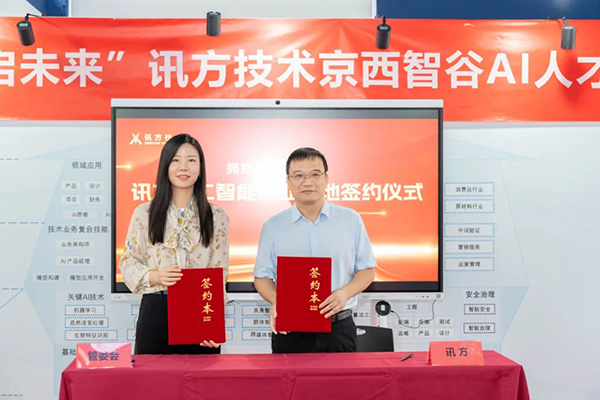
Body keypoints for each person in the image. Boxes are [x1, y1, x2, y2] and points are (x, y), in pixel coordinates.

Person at [253, 147, 376, 353]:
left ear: (326, 178)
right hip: (290, 330)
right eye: (299, 175)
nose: (307, 182)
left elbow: (367, 271)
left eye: (315, 174)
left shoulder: (350, 219)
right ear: (288, 181)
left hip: (339, 327)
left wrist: (344, 293)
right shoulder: (273, 226)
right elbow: (262, 278)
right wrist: (278, 301)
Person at [120, 133, 229, 355]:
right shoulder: (145, 213)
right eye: (176, 160)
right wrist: (157, 276)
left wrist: (213, 323)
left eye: (191, 160)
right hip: (156, 311)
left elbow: (220, 272)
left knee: (200, 377)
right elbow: (129, 262)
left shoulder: (216, 216)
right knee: (153, 376)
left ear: (200, 169)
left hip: (199, 311)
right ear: (165, 167)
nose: (183, 167)